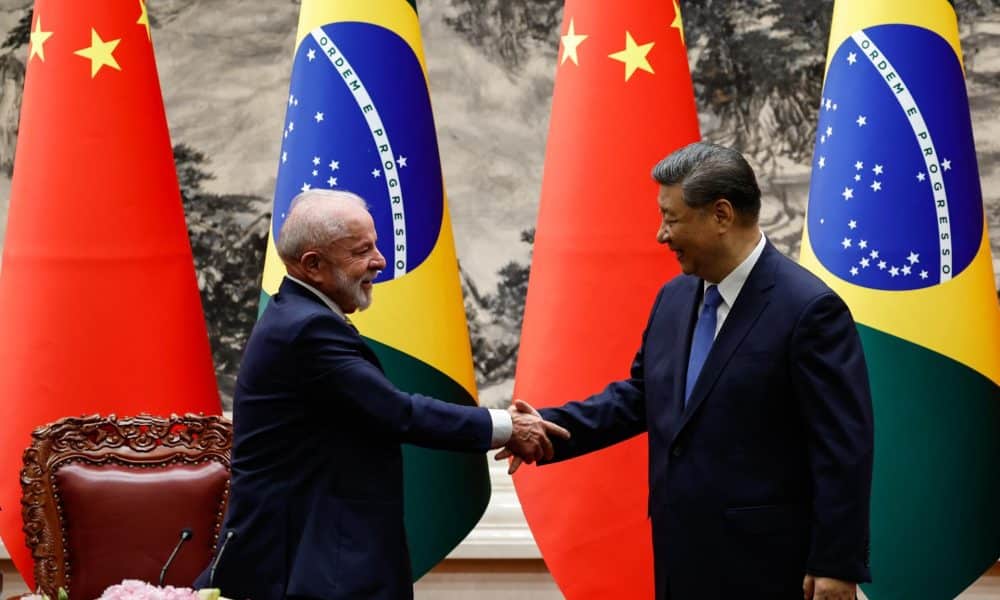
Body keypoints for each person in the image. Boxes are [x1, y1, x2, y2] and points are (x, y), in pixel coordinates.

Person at [501, 142, 874, 600]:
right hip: (681, 558)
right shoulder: (675, 298)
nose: (661, 234)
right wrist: (545, 429)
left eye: (671, 219)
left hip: (769, 567)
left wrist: (835, 562)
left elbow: (842, 448)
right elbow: (640, 396)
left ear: (721, 215)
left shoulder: (809, 310)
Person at [195, 189, 568, 600]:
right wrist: (506, 426)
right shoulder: (306, 330)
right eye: (362, 250)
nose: (380, 260)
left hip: (316, 554)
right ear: (314, 265)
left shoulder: (300, 317)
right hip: (305, 564)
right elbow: (396, 411)